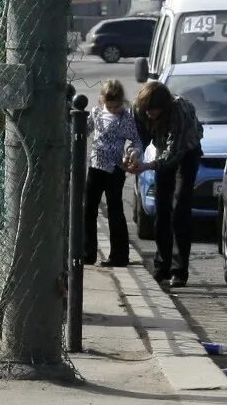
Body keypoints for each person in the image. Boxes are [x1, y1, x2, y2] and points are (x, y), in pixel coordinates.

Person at [136, 79, 203, 286]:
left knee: (180, 208)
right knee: (161, 209)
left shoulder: (179, 112)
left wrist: (147, 166)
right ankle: (161, 265)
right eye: (146, 109)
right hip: (161, 151)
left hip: (186, 152)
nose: (149, 114)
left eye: (153, 110)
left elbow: (173, 155)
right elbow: (138, 138)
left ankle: (179, 270)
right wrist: (132, 154)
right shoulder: (141, 110)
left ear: (163, 108)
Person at [85, 79, 142, 266]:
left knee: (115, 210)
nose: (114, 109)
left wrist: (133, 152)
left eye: (117, 105)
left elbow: (135, 140)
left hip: (115, 168)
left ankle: (119, 256)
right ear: (102, 101)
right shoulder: (96, 113)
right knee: (88, 209)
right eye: (110, 106)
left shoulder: (125, 118)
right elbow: (83, 130)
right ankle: (87, 253)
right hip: (96, 166)